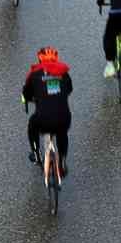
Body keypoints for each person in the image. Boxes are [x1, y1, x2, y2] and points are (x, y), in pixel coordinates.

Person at [21, 47, 72, 175]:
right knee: (62, 132)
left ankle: (37, 154)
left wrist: (30, 99)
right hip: (63, 118)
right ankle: (62, 162)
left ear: (39, 59)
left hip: (43, 119)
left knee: (32, 125)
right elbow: (69, 89)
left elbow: (26, 94)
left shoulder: (34, 73)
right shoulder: (64, 73)